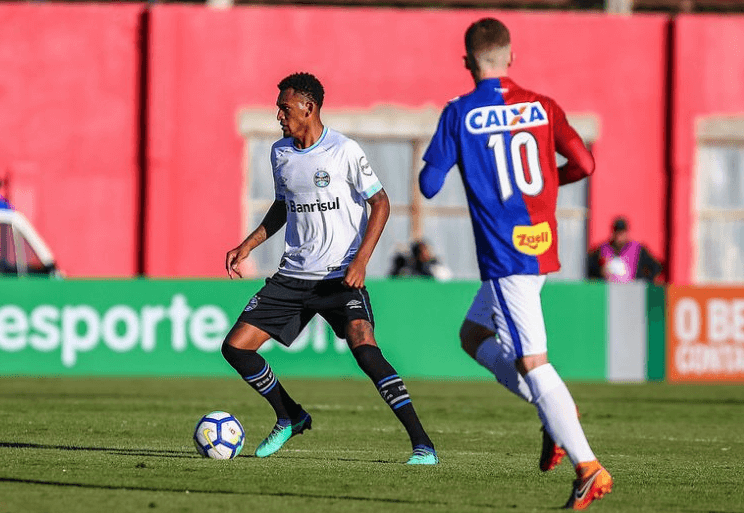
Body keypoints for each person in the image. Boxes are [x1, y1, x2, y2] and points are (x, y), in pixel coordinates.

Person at [418, 18, 611, 509]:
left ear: (467, 62)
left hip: (507, 254)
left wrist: (456, 156)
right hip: (541, 245)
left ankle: (588, 467)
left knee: (531, 361)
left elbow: (429, 185)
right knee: (473, 336)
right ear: (512, 58)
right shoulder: (543, 106)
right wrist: (547, 180)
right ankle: (555, 417)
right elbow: (585, 166)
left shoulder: (459, 113)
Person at [222, 72, 437, 464]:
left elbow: (382, 203)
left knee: (365, 348)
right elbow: (281, 207)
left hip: (340, 273)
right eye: (278, 109)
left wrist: (361, 260)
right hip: (293, 276)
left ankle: (423, 445)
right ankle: (289, 415)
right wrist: (247, 245)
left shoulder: (344, 151)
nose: (279, 116)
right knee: (236, 348)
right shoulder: (280, 154)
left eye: (285, 108)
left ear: (309, 107)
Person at [587, 216, 662, 283]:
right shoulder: (603, 249)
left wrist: (643, 281)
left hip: (631, 291)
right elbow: (588, 268)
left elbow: (656, 267)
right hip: (609, 291)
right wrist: (600, 274)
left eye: (622, 233)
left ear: (626, 233)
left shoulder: (638, 249)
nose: (619, 236)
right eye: (617, 233)